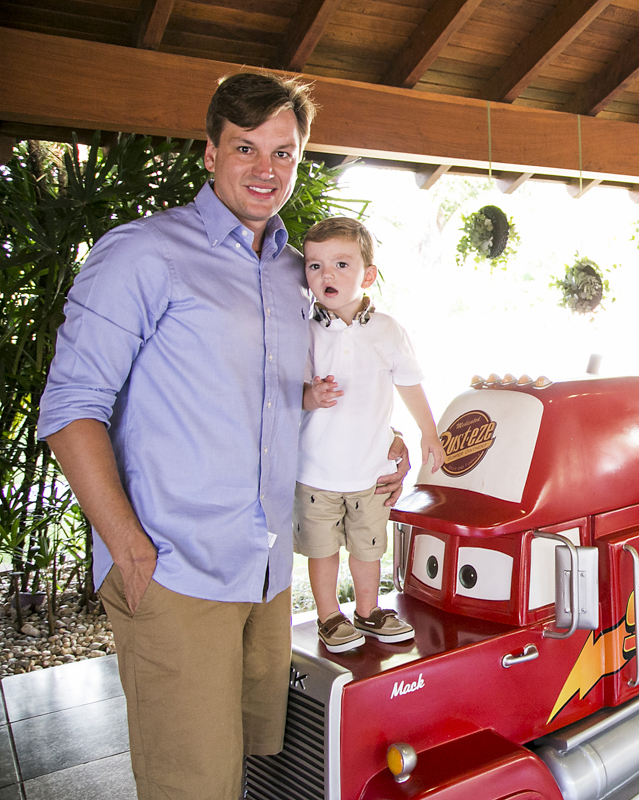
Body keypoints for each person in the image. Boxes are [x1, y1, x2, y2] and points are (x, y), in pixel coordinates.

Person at [37, 73, 408, 800]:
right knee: (191, 782)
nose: (266, 169)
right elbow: (70, 406)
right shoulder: (144, 253)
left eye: (283, 152)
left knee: (251, 767)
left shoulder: (296, 273)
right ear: (210, 153)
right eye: (246, 148)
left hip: (265, 570)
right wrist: (128, 548)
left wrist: (381, 433)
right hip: (174, 568)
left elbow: (298, 387)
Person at [295, 217, 445, 652]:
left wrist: (428, 432)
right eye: (315, 265)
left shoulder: (387, 330)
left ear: (368, 275)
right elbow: (292, 393)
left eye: (341, 264)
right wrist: (311, 396)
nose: (326, 274)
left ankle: (368, 610)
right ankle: (329, 617)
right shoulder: (305, 331)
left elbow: (409, 383)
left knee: (368, 548)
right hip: (316, 472)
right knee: (322, 550)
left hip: (372, 471)